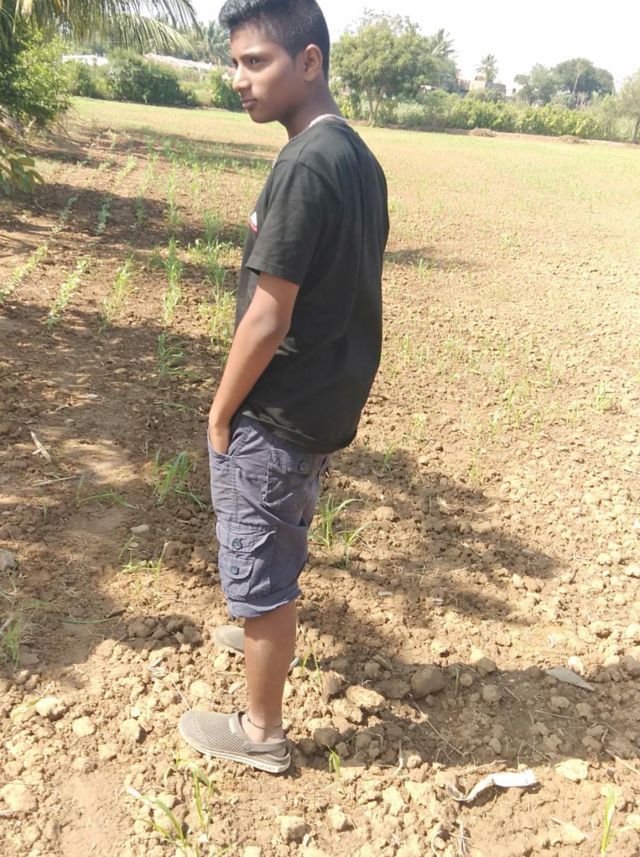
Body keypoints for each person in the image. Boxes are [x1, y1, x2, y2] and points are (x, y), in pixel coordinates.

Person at [178, 0, 389, 774]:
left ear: (309, 61)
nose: (239, 79)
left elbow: (268, 315)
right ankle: (262, 632)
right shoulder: (355, 155)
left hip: (277, 404)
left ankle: (261, 731)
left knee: (261, 561)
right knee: (277, 537)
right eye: (234, 63)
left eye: (255, 62)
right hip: (321, 399)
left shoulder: (304, 164)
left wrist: (221, 410)